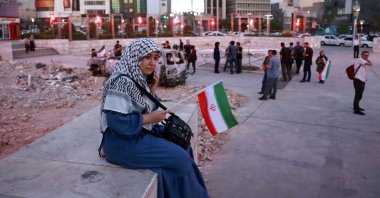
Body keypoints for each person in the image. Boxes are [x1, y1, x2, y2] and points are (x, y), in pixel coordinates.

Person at [100, 38, 209, 198]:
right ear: (135, 57)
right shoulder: (121, 82)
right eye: (147, 57)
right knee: (181, 159)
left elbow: (144, 108)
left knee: (183, 145)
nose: (152, 63)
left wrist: (152, 90)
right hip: (122, 144)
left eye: (156, 58)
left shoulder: (137, 79)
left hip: (138, 134)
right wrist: (150, 118)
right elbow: (116, 122)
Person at [352, 51, 373, 115]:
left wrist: (366, 59)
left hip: (361, 80)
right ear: (361, 55)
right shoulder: (360, 59)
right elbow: (371, 64)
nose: (366, 56)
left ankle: (356, 107)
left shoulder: (362, 60)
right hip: (358, 80)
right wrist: (367, 60)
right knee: (358, 95)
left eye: (367, 55)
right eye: (365, 55)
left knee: (358, 95)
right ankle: (356, 110)